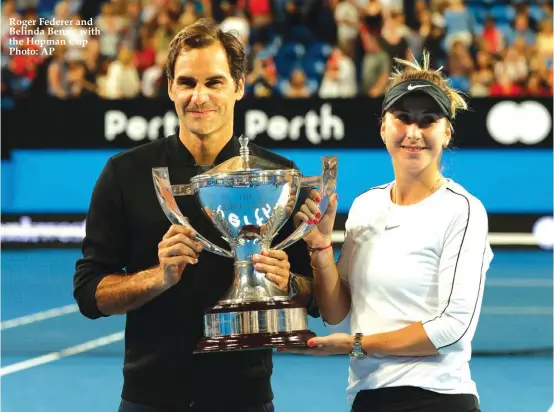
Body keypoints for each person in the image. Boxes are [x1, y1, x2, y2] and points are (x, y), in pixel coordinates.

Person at [73, 18, 317, 412]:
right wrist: (159, 277)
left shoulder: (278, 178)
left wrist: (286, 280)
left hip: (245, 399)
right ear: (170, 87)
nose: (198, 96)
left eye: (214, 82)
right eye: (187, 82)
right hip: (149, 397)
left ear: (238, 86)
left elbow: (315, 297)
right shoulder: (126, 173)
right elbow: (89, 293)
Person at [288, 51, 493, 412]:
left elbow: (452, 330)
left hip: (438, 399)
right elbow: (336, 311)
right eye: (402, 118)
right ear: (384, 127)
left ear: (446, 132)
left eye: (428, 121)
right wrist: (320, 248)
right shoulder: (366, 206)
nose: (413, 132)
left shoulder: (462, 210)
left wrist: (355, 344)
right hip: (368, 397)